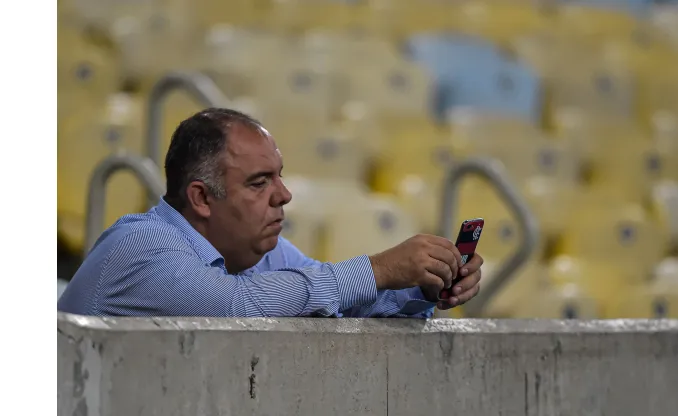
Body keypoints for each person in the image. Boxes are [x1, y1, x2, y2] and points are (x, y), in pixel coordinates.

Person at [57, 108, 483, 318]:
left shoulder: (264, 252)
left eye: (279, 176)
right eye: (259, 183)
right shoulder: (142, 246)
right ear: (201, 199)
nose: (284, 195)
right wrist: (378, 268)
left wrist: (421, 288)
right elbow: (241, 309)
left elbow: (335, 307)